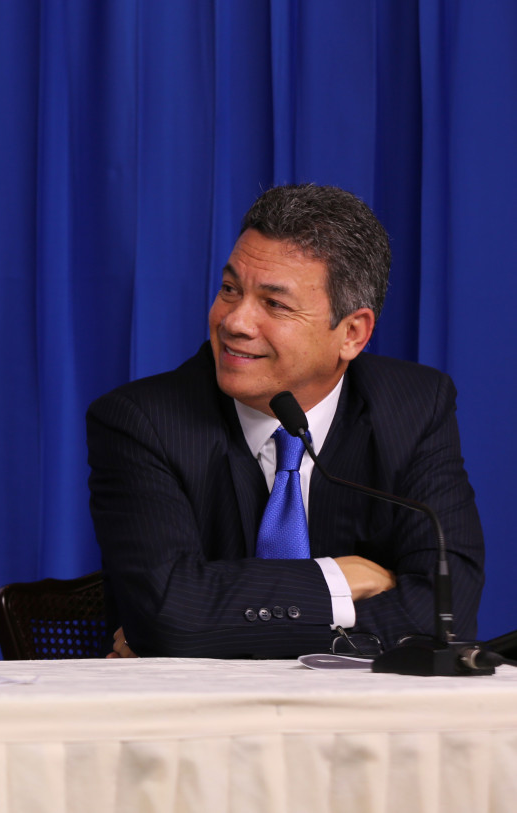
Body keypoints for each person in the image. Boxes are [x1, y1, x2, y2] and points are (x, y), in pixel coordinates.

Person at [86, 184, 484, 659]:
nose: (234, 322)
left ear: (352, 334)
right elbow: (169, 612)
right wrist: (338, 579)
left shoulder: (414, 407)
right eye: (230, 290)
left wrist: (208, 632)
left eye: (274, 304)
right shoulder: (142, 421)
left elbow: (446, 614)